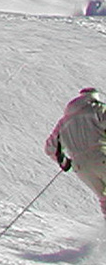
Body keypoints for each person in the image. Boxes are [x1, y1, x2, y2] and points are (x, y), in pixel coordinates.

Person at [45, 86, 106, 216]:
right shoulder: (97, 109)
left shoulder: (64, 121)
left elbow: (50, 148)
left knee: (104, 197)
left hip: (81, 166)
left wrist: (64, 162)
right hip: (101, 155)